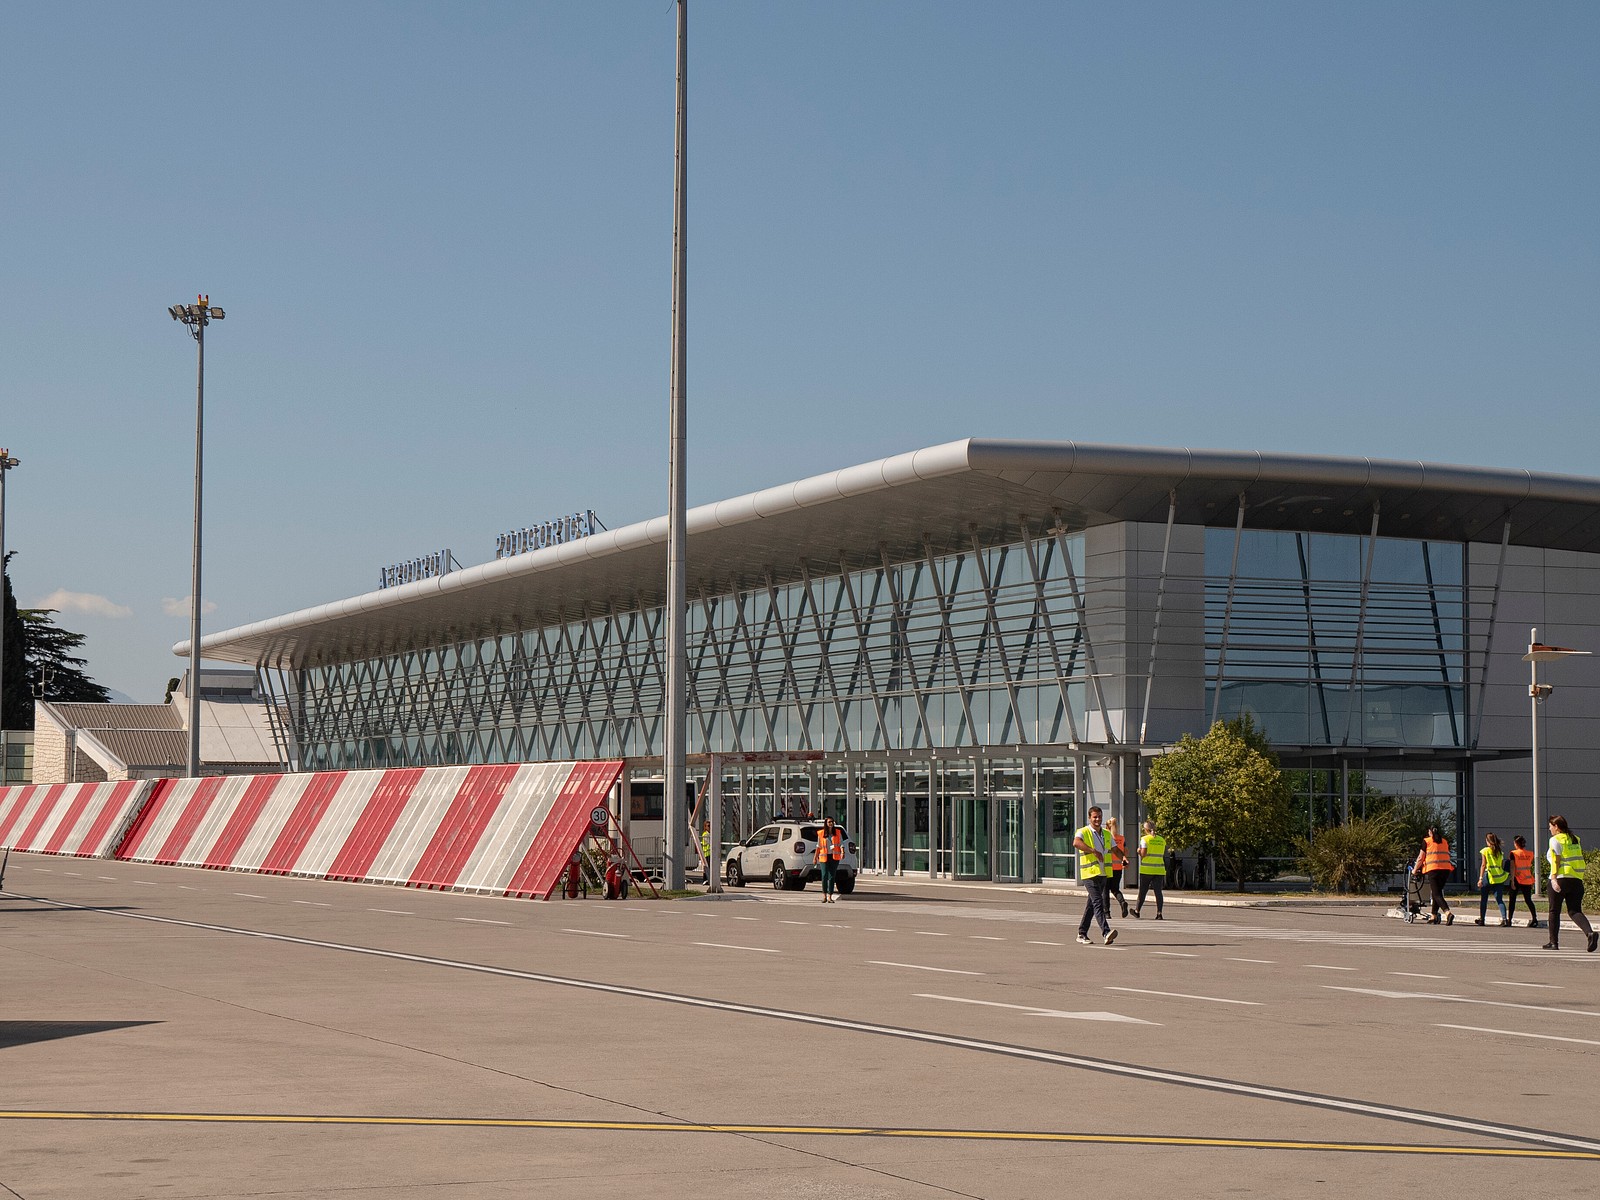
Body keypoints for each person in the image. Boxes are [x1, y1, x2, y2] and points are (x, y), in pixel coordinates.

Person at [1542, 815, 1598, 953]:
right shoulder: (1575, 839)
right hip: (1576, 879)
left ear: (1556, 827)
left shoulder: (1555, 840)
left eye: (1550, 826)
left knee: (1554, 911)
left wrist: (1553, 878)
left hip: (1561, 878)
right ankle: (1590, 933)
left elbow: (1557, 861)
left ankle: (1553, 942)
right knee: (1575, 911)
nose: (1549, 829)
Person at [1073, 806, 1118, 946]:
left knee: (1091, 905)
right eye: (1094, 817)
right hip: (1089, 874)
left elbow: (1115, 849)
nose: (1097, 819)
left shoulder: (1106, 833)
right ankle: (1106, 932)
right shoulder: (1083, 831)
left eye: (1099, 816)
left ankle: (1082, 933)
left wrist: (1124, 859)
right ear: (1089, 818)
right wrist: (1093, 851)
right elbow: (1076, 843)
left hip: (1103, 874)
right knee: (1098, 902)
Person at [1413, 827, 1454, 925]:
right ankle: (1433, 916)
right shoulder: (1444, 841)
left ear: (1430, 832)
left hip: (1433, 869)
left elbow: (1420, 858)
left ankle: (1447, 912)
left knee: (1436, 894)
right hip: (1445, 869)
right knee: (1437, 892)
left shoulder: (1427, 841)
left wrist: (1414, 870)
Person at [1132, 820, 1166, 919]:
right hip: (1159, 869)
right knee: (1158, 892)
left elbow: (1143, 854)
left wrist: (1138, 851)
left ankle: (1137, 911)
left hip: (1147, 869)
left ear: (1145, 829)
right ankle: (1159, 913)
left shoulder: (1145, 839)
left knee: (1143, 891)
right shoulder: (1161, 840)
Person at [1474, 832, 1509, 926]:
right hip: (1499, 878)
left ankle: (1482, 919)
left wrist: (1480, 878)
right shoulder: (1500, 852)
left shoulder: (1485, 851)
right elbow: (1501, 865)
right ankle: (1505, 919)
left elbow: (1483, 865)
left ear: (1488, 841)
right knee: (1499, 900)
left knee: (1484, 899)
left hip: (1488, 876)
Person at [1507, 835, 1539, 928]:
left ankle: (1510, 920)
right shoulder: (1530, 853)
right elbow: (1529, 866)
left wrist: (1512, 880)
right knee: (1528, 900)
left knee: (1512, 900)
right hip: (1527, 878)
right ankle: (1534, 918)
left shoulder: (1513, 853)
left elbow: (1513, 867)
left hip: (1517, 878)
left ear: (1516, 844)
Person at [1104, 817, 1130, 918]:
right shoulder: (1121, 838)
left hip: (1107, 867)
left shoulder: (1106, 837)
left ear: (1107, 827)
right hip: (1118, 867)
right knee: (1115, 889)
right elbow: (1126, 851)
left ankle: (1107, 913)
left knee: (1105, 890)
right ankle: (1122, 902)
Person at [815, 816, 845, 904]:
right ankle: (824, 895)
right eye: (829, 822)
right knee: (824, 876)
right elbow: (818, 846)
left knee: (832, 876)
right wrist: (815, 857)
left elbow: (841, 844)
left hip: (834, 857)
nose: (831, 823)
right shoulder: (821, 833)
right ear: (826, 823)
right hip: (824, 857)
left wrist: (843, 852)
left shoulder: (838, 833)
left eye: (832, 822)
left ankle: (830, 896)